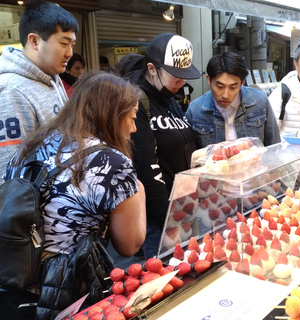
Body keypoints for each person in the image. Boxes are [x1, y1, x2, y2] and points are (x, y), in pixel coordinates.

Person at [1, 72, 147, 320]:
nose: (134, 128)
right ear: (111, 115)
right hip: (64, 293)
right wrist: (139, 190)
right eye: (132, 118)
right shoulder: (111, 162)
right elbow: (129, 244)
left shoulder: (30, 146)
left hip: (12, 281)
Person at [125, 33, 201, 259]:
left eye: (184, 76)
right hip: (161, 218)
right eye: (176, 76)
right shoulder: (136, 102)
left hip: (184, 208)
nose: (182, 82)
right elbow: (146, 166)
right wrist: (166, 221)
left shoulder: (169, 96)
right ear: (152, 68)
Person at [0, 1, 78, 183]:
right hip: (33, 206)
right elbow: (9, 170)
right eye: (64, 43)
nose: (70, 53)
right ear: (34, 41)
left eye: (72, 44)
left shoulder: (53, 78)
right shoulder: (11, 89)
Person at [186, 52, 281, 148]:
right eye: (219, 87)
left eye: (233, 87)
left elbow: (274, 146)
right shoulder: (195, 111)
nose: (225, 95)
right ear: (208, 80)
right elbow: (192, 156)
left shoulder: (259, 101)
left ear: (242, 82)